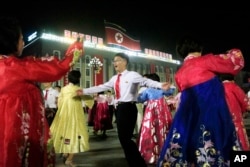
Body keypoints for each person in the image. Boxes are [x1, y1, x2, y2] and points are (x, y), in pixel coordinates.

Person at [0, 16, 83, 167]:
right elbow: (57, 68)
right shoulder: (19, 66)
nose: (23, 42)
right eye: (20, 38)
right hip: (17, 130)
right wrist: (76, 47)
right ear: (10, 41)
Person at [157, 36, 244, 167]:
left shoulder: (179, 73)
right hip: (213, 117)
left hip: (188, 120)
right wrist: (231, 51)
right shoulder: (205, 61)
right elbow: (236, 61)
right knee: (222, 145)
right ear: (199, 48)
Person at [76, 52, 170, 167]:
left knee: (125, 138)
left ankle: (138, 164)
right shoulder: (114, 78)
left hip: (129, 107)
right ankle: (134, 162)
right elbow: (102, 86)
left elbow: (146, 81)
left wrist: (160, 85)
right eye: (114, 61)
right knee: (123, 138)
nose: (114, 63)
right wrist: (84, 91)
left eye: (117, 60)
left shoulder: (132, 75)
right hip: (119, 108)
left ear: (124, 62)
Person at [50, 70, 90, 166]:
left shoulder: (63, 89)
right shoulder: (78, 89)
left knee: (65, 133)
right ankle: (69, 159)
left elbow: (59, 101)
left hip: (63, 115)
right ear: (78, 79)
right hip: (75, 116)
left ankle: (65, 152)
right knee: (76, 135)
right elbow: (88, 99)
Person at [137, 73, 176, 165]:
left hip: (151, 112)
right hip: (163, 112)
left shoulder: (147, 90)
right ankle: (165, 152)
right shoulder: (162, 90)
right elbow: (171, 90)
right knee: (163, 129)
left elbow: (140, 99)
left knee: (151, 130)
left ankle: (152, 153)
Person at [219, 73, 250, 150]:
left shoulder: (216, 89)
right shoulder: (233, 87)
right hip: (236, 122)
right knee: (241, 146)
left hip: (221, 122)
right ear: (233, 80)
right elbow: (247, 104)